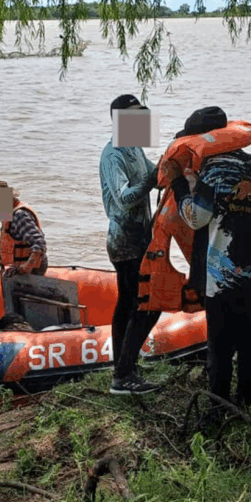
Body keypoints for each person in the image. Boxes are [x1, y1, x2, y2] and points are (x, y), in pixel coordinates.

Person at [165, 106, 251, 409]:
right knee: (249, 342)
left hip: (223, 276)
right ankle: (246, 401)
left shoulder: (213, 169)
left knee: (220, 346)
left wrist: (179, 185)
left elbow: (197, 218)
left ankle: (218, 408)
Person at [99, 93, 161, 395]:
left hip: (140, 239)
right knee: (144, 305)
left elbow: (155, 176)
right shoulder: (113, 154)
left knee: (128, 304)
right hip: (124, 242)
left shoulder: (135, 148)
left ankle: (124, 366)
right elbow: (124, 199)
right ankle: (123, 375)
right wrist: (151, 182)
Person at [0, 180, 48, 276]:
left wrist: (27, 267)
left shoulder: (19, 215)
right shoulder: (11, 214)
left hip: (29, 272)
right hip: (18, 268)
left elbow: (39, 244)